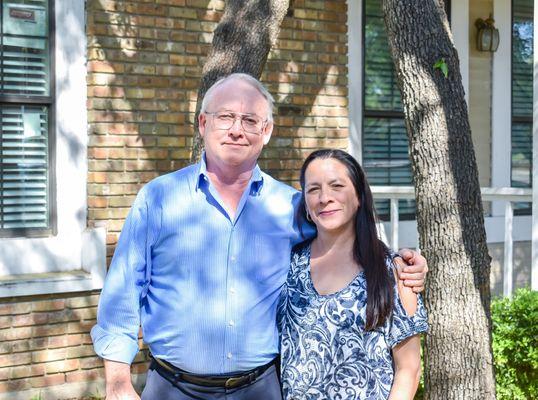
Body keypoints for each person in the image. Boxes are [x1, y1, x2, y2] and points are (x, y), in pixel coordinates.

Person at [91, 73, 428, 400]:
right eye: (225, 117)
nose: (237, 130)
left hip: (260, 387)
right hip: (173, 387)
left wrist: (403, 261)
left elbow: (343, 231)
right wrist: (118, 380)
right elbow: (123, 289)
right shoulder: (158, 198)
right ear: (203, 124)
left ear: (266, 131)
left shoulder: (291, 207)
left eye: (250, 120)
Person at [279, 149, 428, 400]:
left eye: (337, 186)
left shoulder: (393, 271)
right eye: (313, 189)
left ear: (359, 196)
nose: (324, 197)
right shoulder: (288, 263)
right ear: (304, 202)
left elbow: (409, 370)